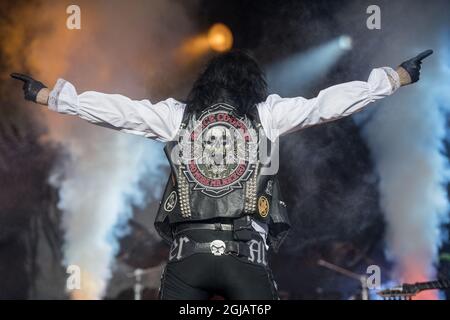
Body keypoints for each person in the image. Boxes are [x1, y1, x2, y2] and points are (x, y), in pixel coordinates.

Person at [11, 49, 433, 300]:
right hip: (242, 258)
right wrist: (392, 78)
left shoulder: (176, 117)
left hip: (186, 262)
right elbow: (329, 103)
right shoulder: (267, 115)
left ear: (205, 85)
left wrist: (53, 97)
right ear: (252, 85)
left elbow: (120, 112)